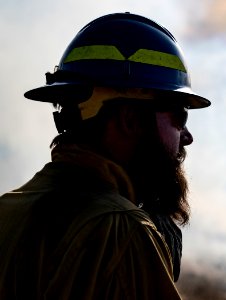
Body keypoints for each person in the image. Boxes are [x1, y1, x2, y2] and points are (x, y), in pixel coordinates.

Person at [0, 12, 210, 299]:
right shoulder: (120, 233)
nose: (186, 137)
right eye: (178, 117)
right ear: (130, 119)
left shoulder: (6, 211)